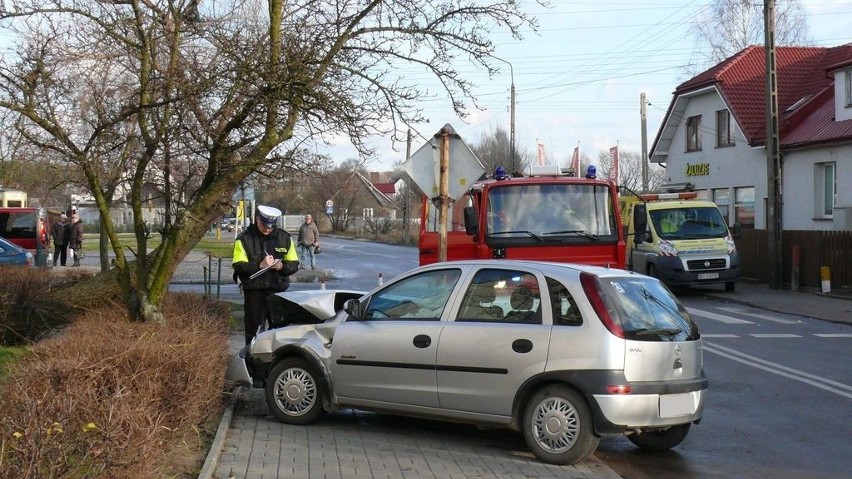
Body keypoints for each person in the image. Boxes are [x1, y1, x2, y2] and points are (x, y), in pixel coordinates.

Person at [232, 205, 300, 345]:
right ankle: (251, 360)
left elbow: (294, 264)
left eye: (270, 226)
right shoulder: (244, 239)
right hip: (254, 293)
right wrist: (260, 265)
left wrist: (281, 266)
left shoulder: (284, 238)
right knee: (253, 332)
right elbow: (238, 266)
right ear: (257, 219)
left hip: (277, 291)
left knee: (280, 332)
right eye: (264, 225)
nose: (267, 229)